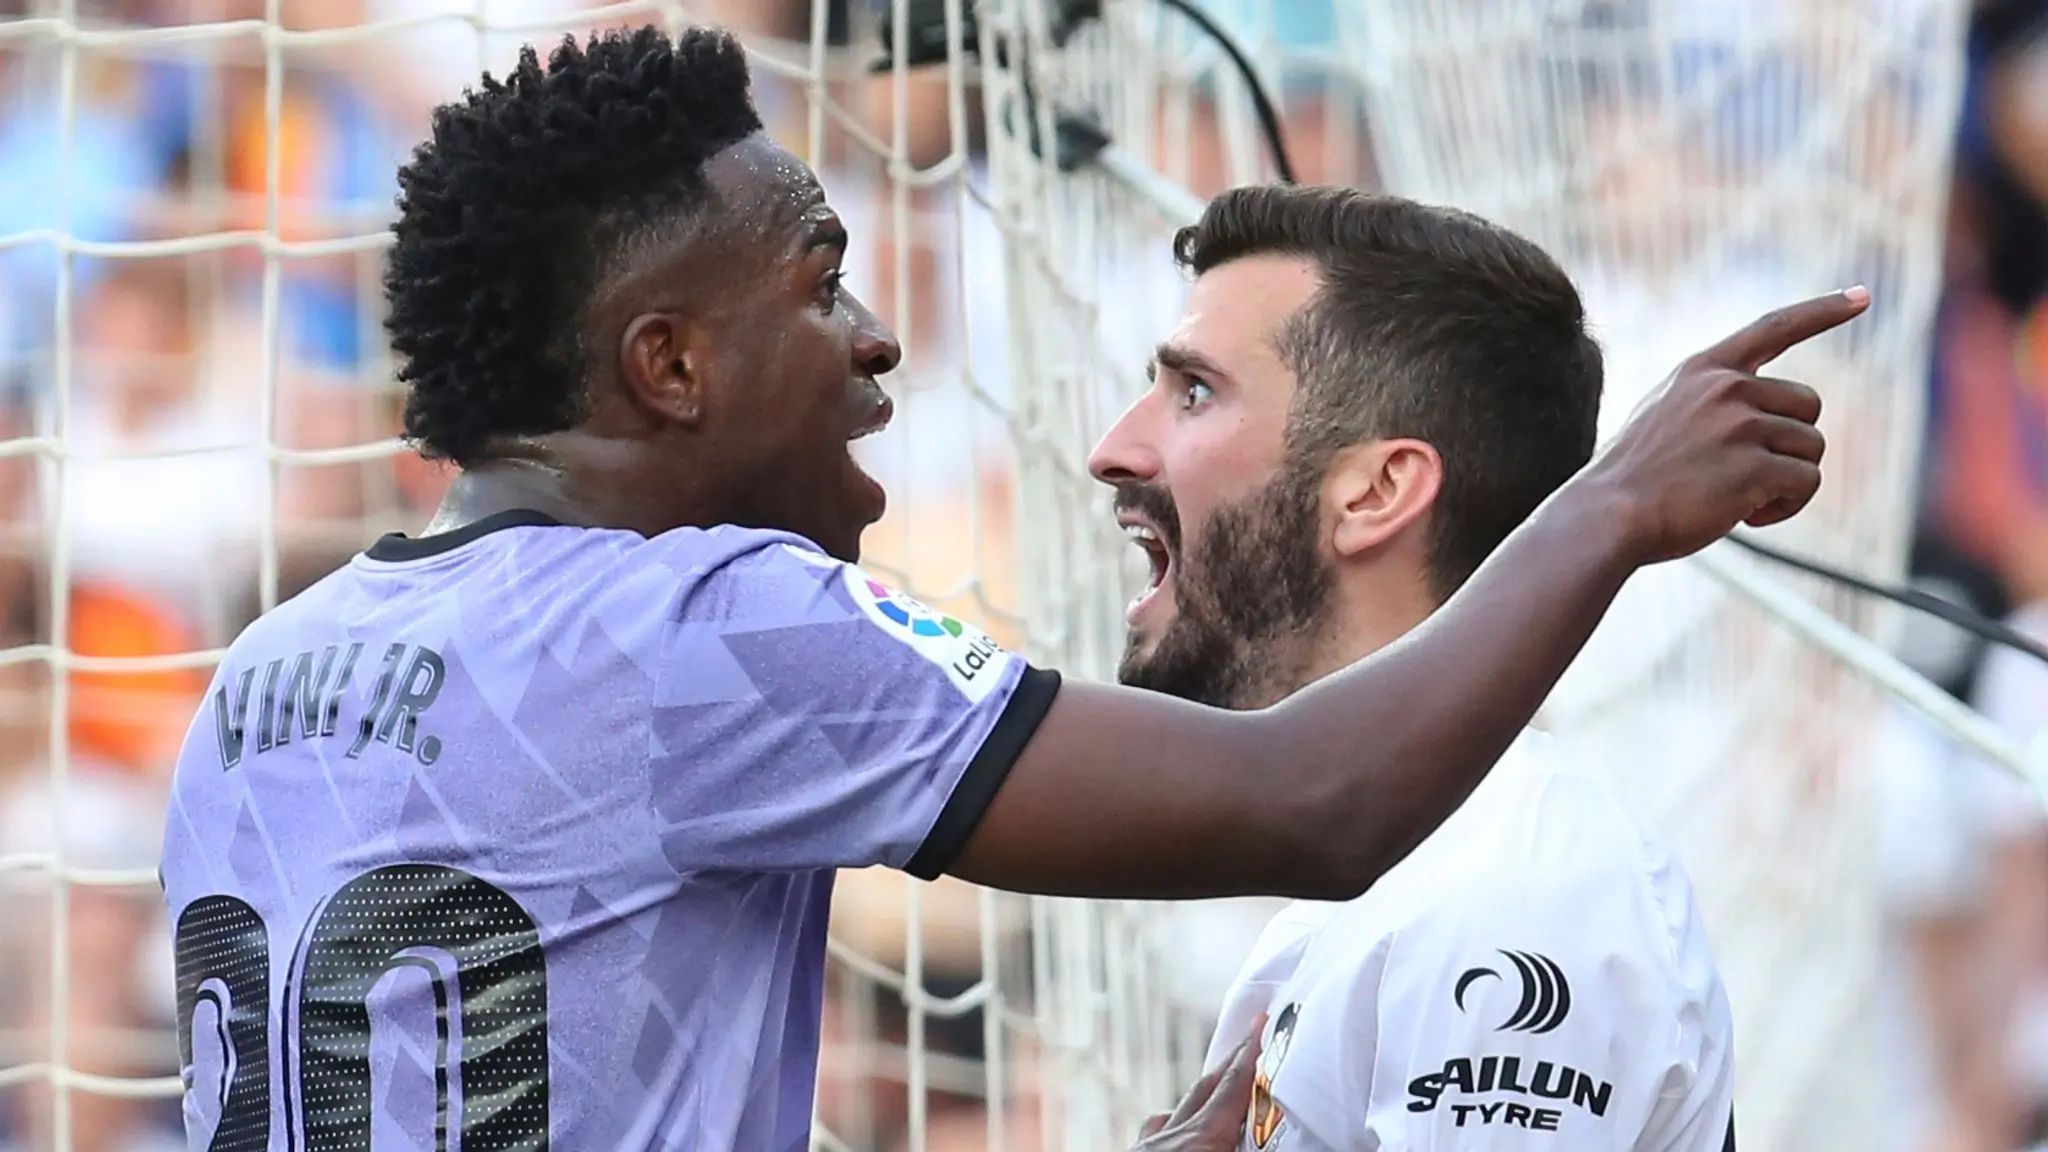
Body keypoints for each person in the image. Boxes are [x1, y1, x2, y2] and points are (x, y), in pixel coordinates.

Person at [157, 24, 1858, 1151]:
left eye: (1189, 388)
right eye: (822, 283)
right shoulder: (707, 626)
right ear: (668, 364)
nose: (879, 335)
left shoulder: (258, 679)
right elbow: (1318, 801)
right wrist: (1613, 504)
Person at [1088, 184, 1736, 1150]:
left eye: (1194, 392)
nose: (1114, 450)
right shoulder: (1398, 879)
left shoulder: (1508, 885)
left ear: (1379, 492)